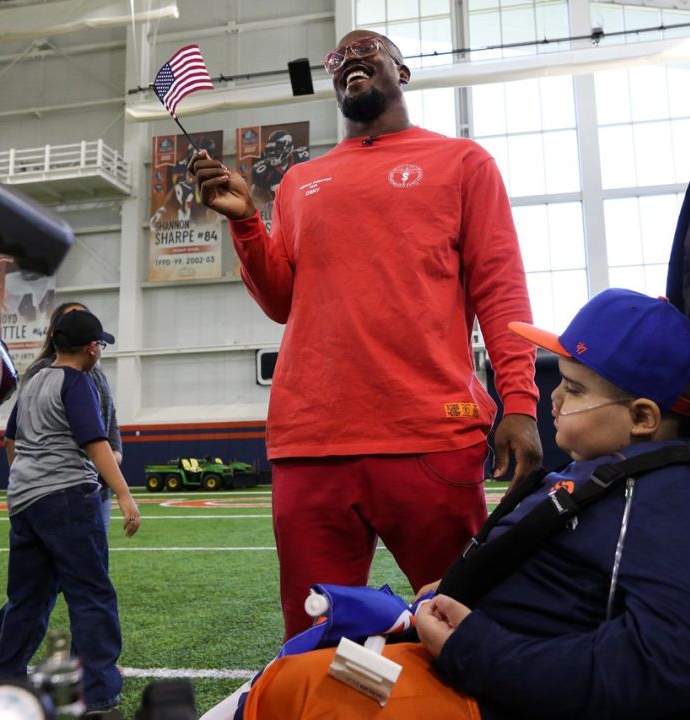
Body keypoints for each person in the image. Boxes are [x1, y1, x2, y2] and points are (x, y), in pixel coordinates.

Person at [239, 289, 690, 719]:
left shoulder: (687, 498)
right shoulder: (607, 475)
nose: (552, 399)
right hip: (470, 669)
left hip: (491, 692)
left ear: (643, 417)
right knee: (297, 677)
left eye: (573, 389)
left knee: (316, 695)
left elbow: (681, 656)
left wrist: (480, 650)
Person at [190, 29, 543, 640]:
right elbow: (281, 303)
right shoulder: (301, 183)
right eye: (338, 58)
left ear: (401, 72)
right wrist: (248, 223)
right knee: (313, 641)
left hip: (429, 431)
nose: (349, 60)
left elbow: (500, 288)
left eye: (366, 50)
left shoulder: (463, 163)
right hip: (310, 440)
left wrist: (520, 401)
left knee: (462, 630)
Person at [0, 309, 140, 717]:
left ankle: (1, 684)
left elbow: (10, 439)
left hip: (26, 502)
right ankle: (98, 693)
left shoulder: (33, 382)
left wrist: (24, 479)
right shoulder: (77, 381)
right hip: (69, 497)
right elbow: (95, 442)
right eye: (100, 344)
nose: (100, 350)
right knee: (91, 596)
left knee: (28, 600)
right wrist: (124, 493)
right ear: (91, 348)